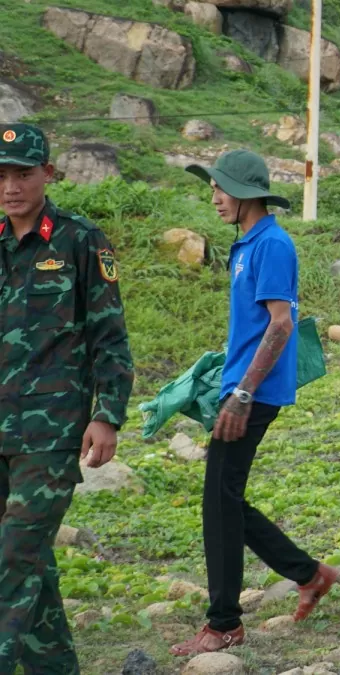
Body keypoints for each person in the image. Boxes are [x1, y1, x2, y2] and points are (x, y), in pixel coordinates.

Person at [171, 149, 339, 656]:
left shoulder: (272, 244)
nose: (214, 196)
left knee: (218, 501)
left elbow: (281, 324)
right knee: (223, 501)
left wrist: (243, 393)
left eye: (220, 187)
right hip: (238, 385)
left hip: (254, 393)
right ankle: (310, 574)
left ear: (247, 194)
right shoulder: (245, 243)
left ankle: (224, 623)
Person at [0, 122, 134, 673]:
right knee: (29, 565)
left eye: (23, 174)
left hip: (50, 435)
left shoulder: (80, 241)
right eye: (2, 175)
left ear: (48, 174)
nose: (11, 186)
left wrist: (107, 416)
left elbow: (110, 337)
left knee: (11, 563)